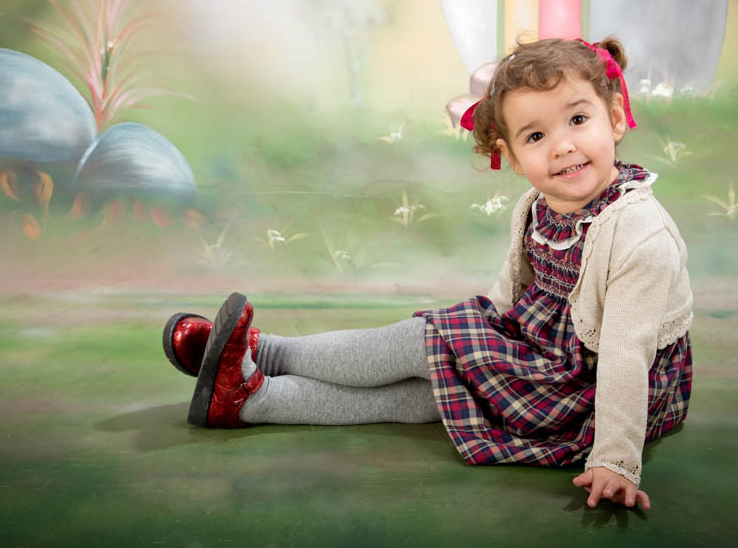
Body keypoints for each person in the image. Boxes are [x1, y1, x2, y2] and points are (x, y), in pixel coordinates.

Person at [162, 37, 693, 511]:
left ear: (615, 118)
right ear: (511, 157)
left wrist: (616, 459)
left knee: (423, 342)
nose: (562, 145)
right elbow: (513, 291)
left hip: (590, 389)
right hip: (543, 357)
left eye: (577, 120)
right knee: (432, 389)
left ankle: (266, 352)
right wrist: (477, 344)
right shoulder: (540, 205)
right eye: (535, 135)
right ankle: (250, 400)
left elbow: (626, 354)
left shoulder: (638, 232)